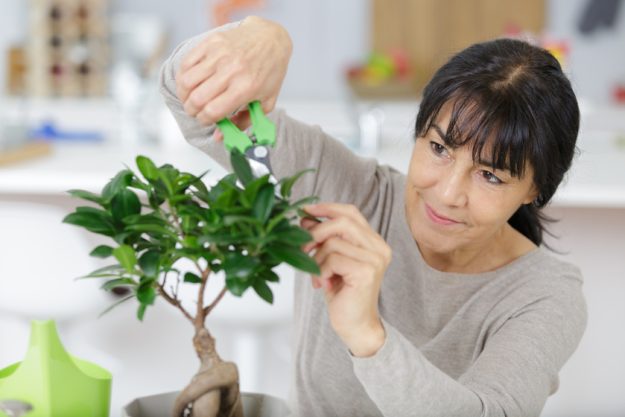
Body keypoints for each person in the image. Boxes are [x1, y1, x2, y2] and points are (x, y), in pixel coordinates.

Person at [159, 16, 587, 417]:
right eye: (439, 149)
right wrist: (264, 38)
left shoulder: (545, 296)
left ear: (535, 190)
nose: (448, 193)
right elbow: (188, 101)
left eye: (490, 175)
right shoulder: (346, 188)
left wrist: (368, 336)